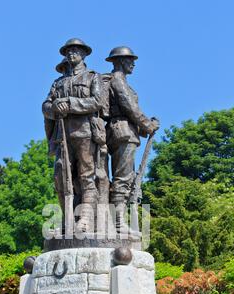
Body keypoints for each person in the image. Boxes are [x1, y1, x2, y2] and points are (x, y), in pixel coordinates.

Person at [42, 38, 103, 232]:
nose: (71, 54)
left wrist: (70, 103)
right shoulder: (58, 82)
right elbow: (45, 106)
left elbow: (97, 102)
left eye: (76, 50)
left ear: (84, 54)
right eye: (68, 51)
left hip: (84, 132)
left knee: (86, 175)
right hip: (62, 135)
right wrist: (54, 108)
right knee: (61, 176)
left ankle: (85, 218)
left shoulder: (92, 77)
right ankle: (67, 218)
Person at [105, 46, 160, 234]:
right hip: (122, 131)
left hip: (126, 131)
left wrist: (144, 127)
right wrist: (147, 125)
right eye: (130, 60)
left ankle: (119, 219)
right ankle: (118, 221)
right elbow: (129, 107)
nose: (133, 64)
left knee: (127, 177)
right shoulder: (117, 81)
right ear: (120, 61)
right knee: (123, 177)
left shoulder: (121, 81)